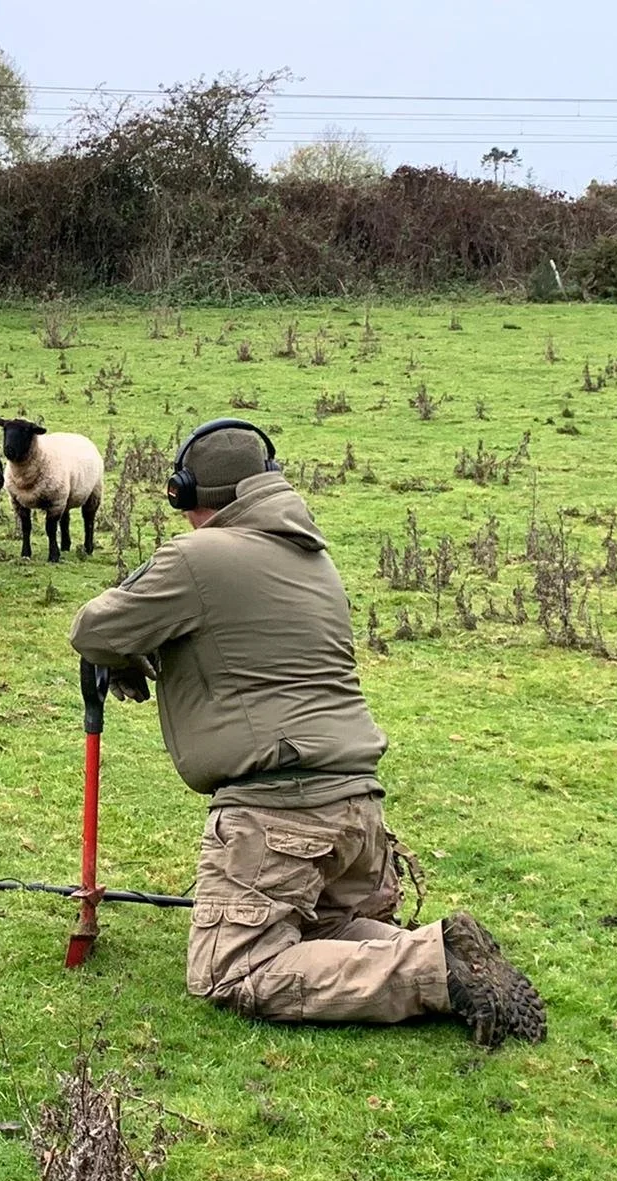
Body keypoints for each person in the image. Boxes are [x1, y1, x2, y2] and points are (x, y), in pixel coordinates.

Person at [68, 418, 546, 1049]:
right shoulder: (313, 558)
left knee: (231, 970)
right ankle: (435, 945)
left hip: (280, 813)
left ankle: (434, 970)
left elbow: (94, 629)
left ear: (188, 493)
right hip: (359, 810)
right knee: (323, 931)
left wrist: (131, 657)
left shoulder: (196, 557)